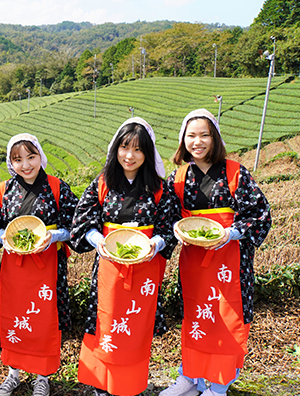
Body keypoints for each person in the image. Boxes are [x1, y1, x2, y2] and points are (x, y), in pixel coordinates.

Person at [160, 109, 271, 396]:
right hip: (195, 260)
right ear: (183, 139)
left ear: (215, 138)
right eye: (191, 135)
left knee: (226, 319)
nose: (197, 141)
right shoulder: (179, 176)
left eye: (204, 135)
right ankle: (190, 378)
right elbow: (168, 216)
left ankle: (219, 385)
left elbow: (259, 213)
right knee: (196, 317)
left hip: (231, 261)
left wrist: (230, 233)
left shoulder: (235, 172)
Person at [70, 118, 176, 396]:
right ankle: (102, 384)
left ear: (148, 154)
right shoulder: (103, 183)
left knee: (134, 329)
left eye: (138, 150)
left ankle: (131, 384)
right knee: (106, 324)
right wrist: (96, 240)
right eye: (124, 148)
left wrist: (157, 241)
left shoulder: (159, 189)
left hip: (145, 271)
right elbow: (83, 221)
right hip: (109, 269)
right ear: (115, 149)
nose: (130, 156)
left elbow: (169, 226)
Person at [0, 133, 78, 396]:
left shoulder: (58, 187)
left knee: (44, 318)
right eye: (18, 159)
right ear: (9, 162)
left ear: (40, 157)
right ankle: (14, 372)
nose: (25, 164)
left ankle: (41, 376)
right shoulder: (3, 191)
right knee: (14, 317)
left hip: (48, 263)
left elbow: (75, 225)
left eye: (31, 157)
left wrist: (55, 236)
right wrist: (3, 237)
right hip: (15, 265)